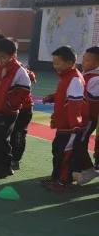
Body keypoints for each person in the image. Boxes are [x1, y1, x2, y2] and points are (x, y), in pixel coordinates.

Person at [0, 36, 32, 179]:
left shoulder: (19, 72)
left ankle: (6, 167)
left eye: (3, 57)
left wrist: (10, 105)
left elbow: (24, 91)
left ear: (13, 55)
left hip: (8, 112)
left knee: (3, 140)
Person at [40, 46, 86, 192]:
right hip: (63, 125)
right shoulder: (67, 77)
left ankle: (63, 182)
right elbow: (66, 96)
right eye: (54, 63)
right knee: (57, 151)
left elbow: (75, 104)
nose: (55, 66)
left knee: (65, 155)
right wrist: (53, 97)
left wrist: (75, 125)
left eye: (58, 63)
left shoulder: (74, 79)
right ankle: (56, 178)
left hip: (70, 127)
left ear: (70, 62)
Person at [8, 39, 36, 170]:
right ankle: (7, 157)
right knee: (8, 133)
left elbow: (29, 80)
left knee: (18, 133)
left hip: (23, 108)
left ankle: (15, 159)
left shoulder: (20, 69)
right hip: (8, 109)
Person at [74, 46, 99, 186]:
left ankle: (88, 169)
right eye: (84, 58)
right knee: (76, 141)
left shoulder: (95, 79)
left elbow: (91, 100)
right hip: (81, 117)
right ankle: (77, 168)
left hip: (88, 118)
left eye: (88, 60)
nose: (84, 61)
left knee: (80, 142)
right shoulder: (85, 75)